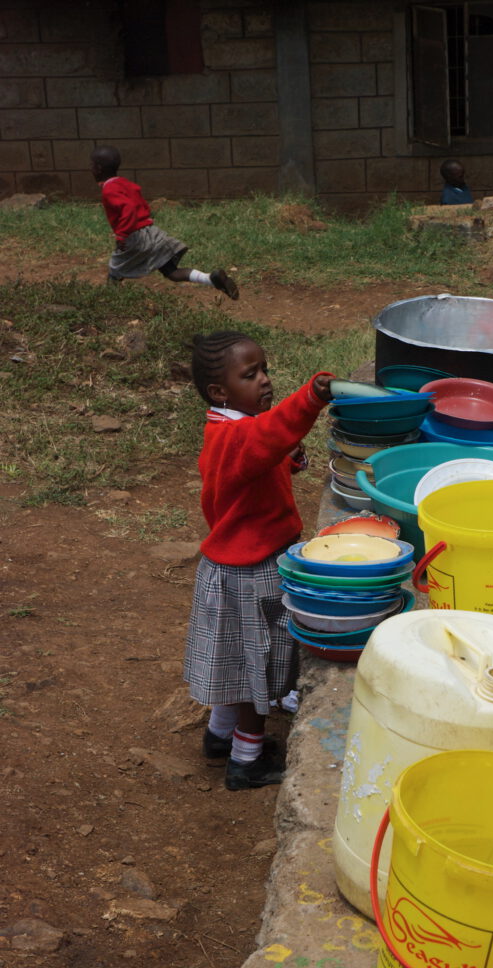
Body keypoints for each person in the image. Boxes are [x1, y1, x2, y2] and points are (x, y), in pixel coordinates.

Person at [183, 329, 334, 790]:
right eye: (251, 375)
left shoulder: (229, 429)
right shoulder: (237, 436)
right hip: (254, 571)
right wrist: (310, 398)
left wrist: (288, 461)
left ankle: (219, 735)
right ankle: (246, 761)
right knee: (257, 671)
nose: (265, 380)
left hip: (232, 567)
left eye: (264, 369)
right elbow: (268, 435)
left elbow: (258, 458)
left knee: (236, 661)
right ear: (219, 391)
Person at [90, 145, 239, 299]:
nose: (91, 169)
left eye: (92, 165)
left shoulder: (109, 189)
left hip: (133, 237)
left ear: (98, 168)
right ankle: (210, 278)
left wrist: (122, 235)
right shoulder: (124, 183)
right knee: (171, 271)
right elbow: (140, 202)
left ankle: (109, 302)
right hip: (152, 232)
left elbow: (129, 208)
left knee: (115, 270)